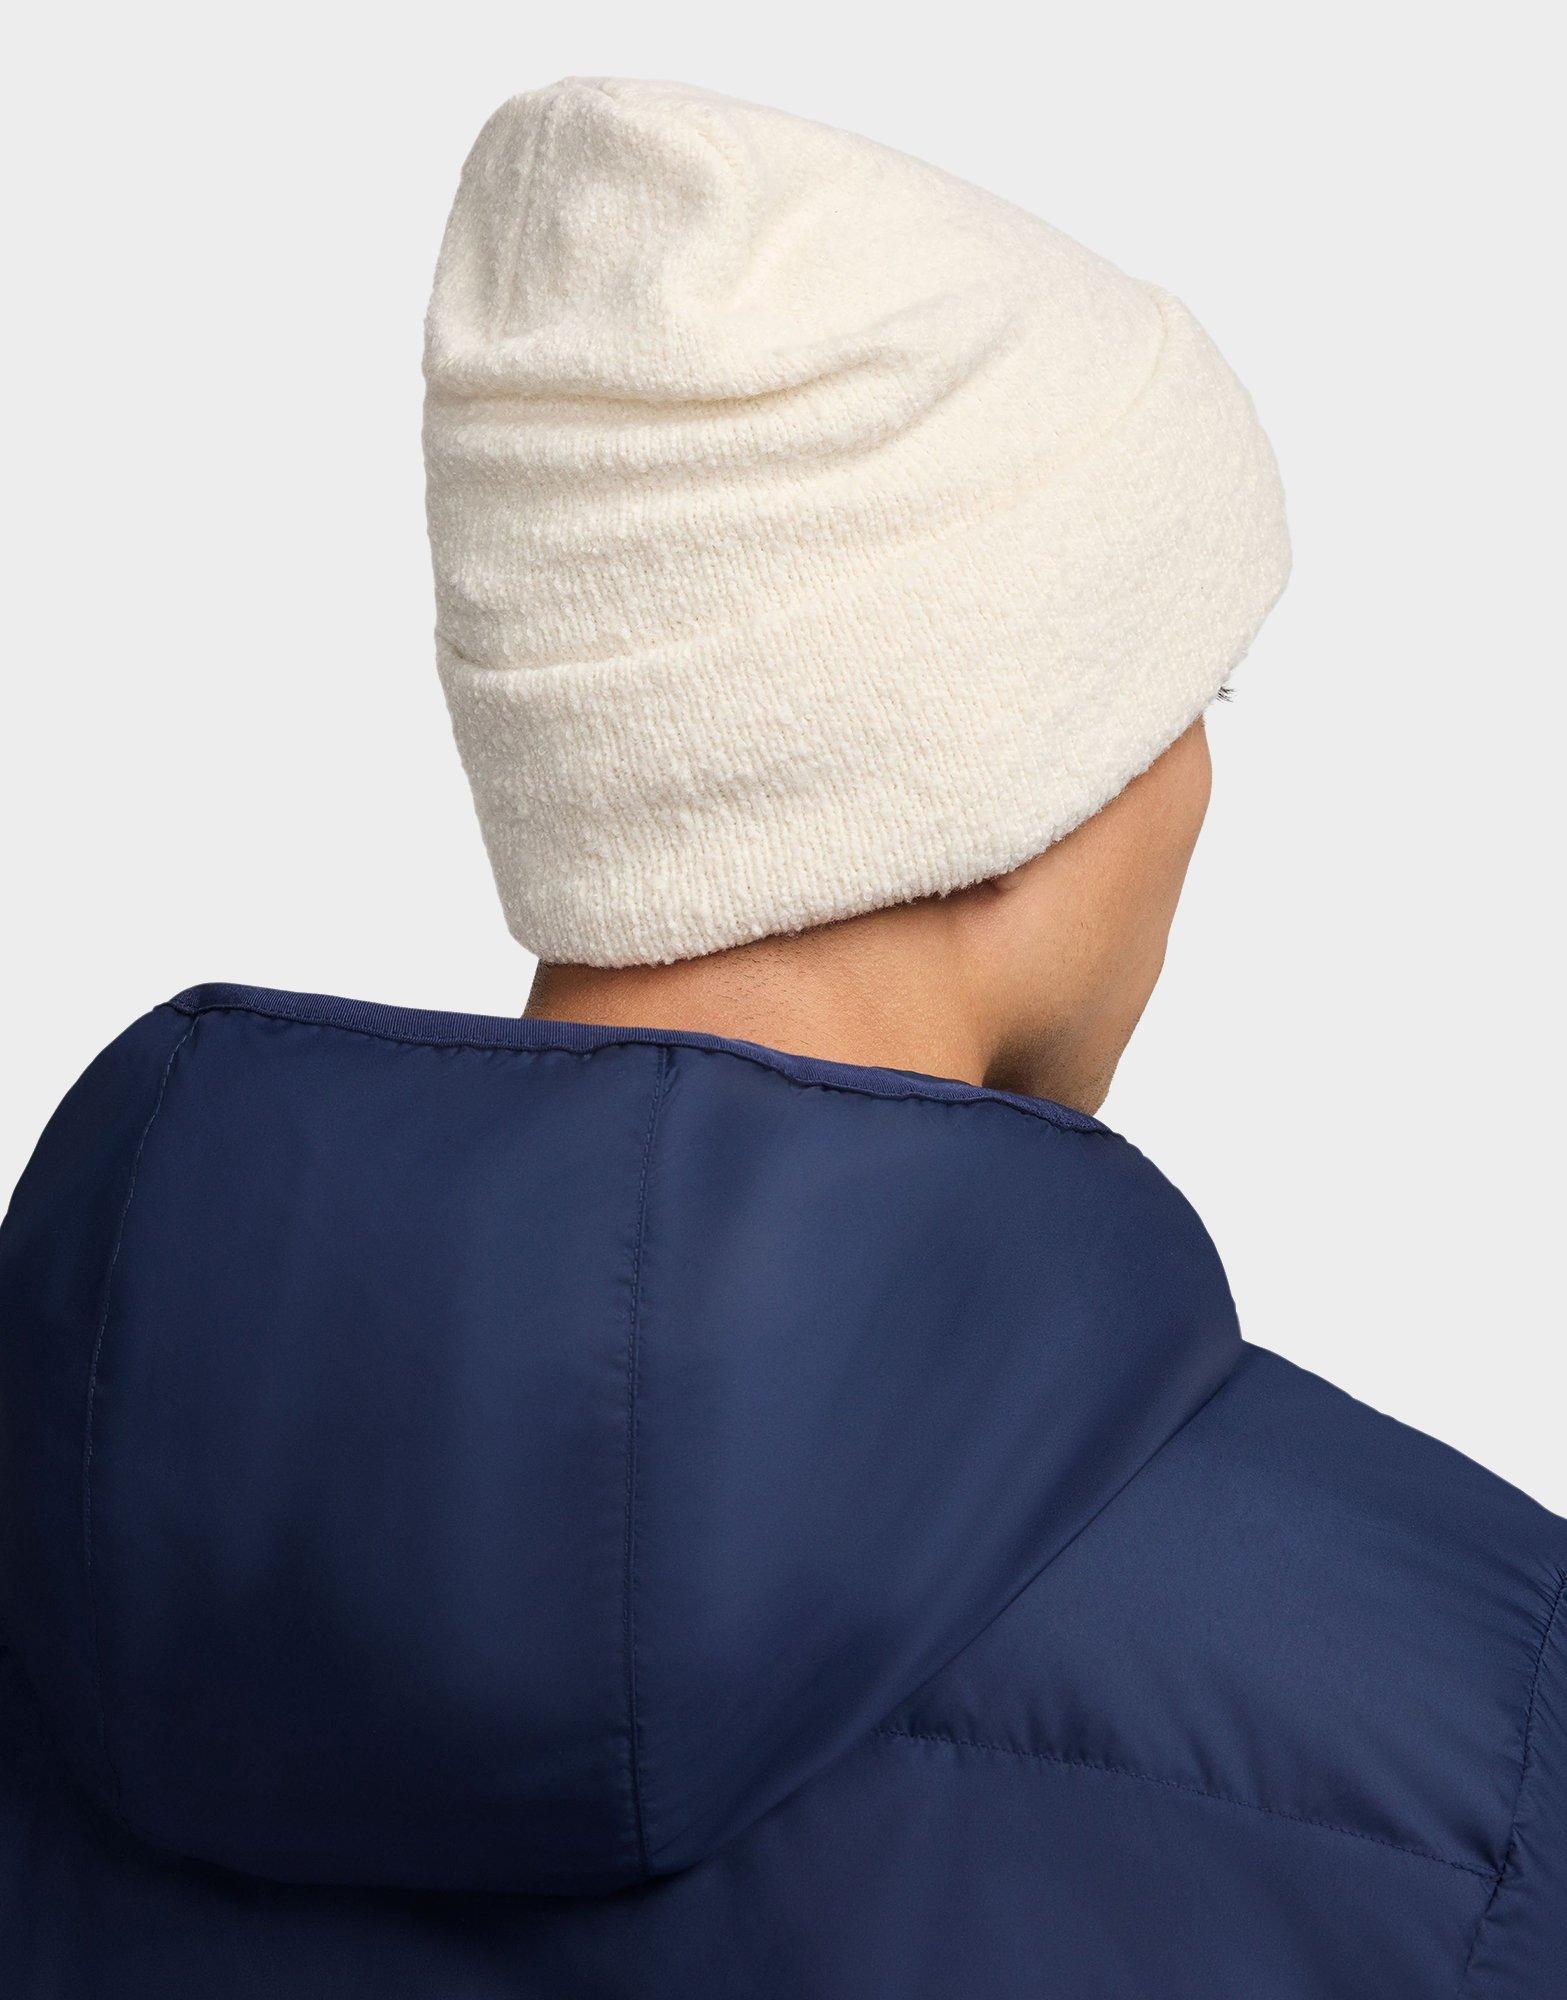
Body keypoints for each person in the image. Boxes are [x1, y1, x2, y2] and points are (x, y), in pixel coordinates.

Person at [0, 77, 1561, 2000]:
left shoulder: (59, 1547)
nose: (1200, 790)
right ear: (1012, 772)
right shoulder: (1489, 1742)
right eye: (1193, 691)